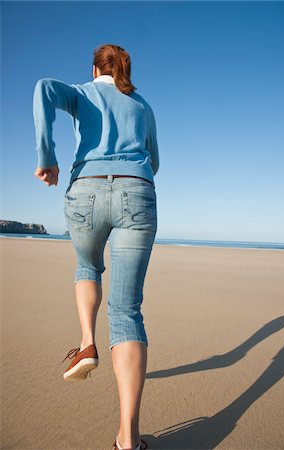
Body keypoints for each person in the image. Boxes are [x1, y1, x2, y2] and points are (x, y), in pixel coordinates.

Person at [32, 43, 159, 450]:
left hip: (86, 190)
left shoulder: (82, 92)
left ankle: (87, 341)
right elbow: (153, 161)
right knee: (126, 312)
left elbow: (42, 90)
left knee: (87, 267)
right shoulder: (141, 106)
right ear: (124, 70)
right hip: (137, 192)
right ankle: (128, 441)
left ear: (94, 69)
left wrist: (47, 154)